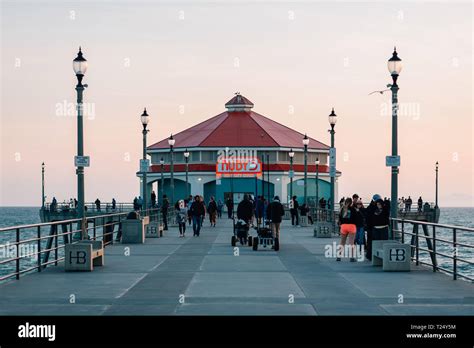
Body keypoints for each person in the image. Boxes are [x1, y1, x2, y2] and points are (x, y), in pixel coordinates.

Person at [337, 197, 357, 262]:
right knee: (351, 242)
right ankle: (352, 257)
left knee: (342, 242)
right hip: (351, 226)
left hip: (343, 226)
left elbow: (340, 218)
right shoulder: (353, 209)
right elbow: (356, 218)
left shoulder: (342, 209)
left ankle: (339, 256)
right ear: (351, 203)